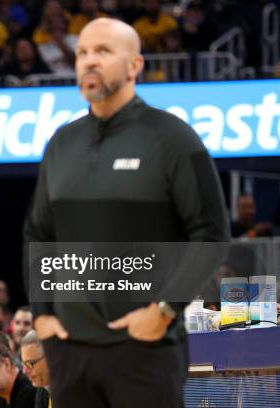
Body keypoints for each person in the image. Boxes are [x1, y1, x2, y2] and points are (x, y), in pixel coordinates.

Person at [22, 18, 229, 407]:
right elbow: (39, 234)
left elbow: (211, 235)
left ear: (135, 65)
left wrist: (165, 309)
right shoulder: (62, 143)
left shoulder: (173, 139)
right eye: (82, 53)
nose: (88, 61)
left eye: (103, 51)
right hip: (70, 352)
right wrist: (43, 316)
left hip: (144, 349)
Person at [20, 330, 51, 408]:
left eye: (29, 364)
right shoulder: (42, 389)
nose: (24, 371)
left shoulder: (76, 390)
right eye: (24, 364)